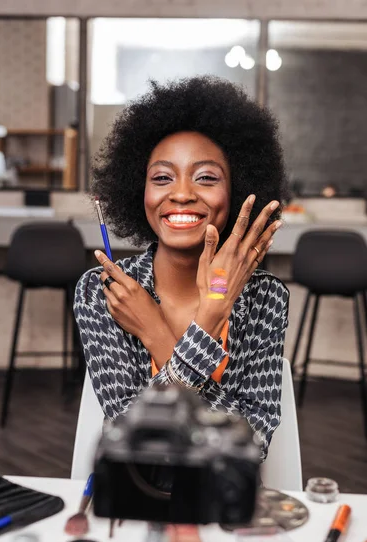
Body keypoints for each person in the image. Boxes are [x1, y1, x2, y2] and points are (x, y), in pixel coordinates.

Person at [74, 76, 289, 462]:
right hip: (129, 504)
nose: (182, 193)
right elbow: (131, 437)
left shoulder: (265, 298)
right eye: (161, 177)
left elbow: (251, 447)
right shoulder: (103, 291)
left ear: (237, 191)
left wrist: (164, 329)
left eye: (206, 177)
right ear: (138, 191)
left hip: (225, 508)